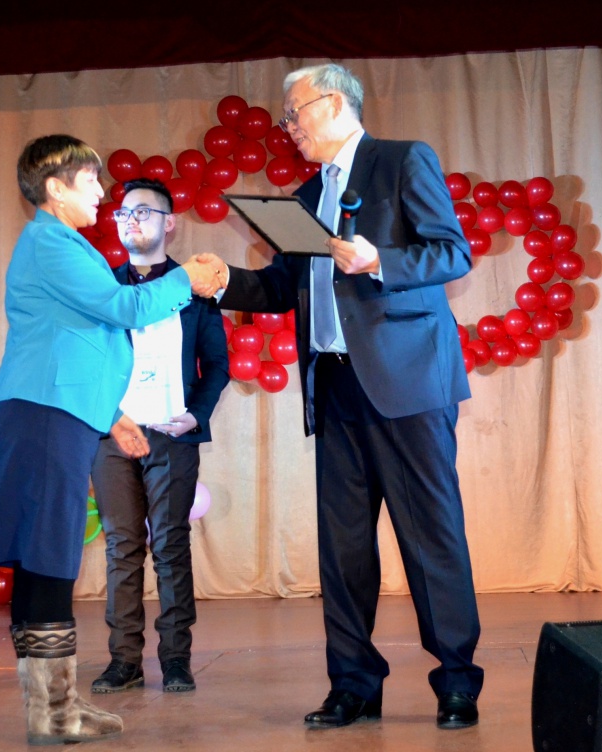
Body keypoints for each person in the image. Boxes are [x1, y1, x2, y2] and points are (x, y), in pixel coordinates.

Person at [198, 63, 483, 730]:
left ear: (332, 103)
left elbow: (452, 254)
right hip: (334, 385)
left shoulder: (402, 161)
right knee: (344, 546)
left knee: (431, 535)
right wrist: (223, 281)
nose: (288, 127)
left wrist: (379, 260)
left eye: (294, 112)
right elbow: (281, 288)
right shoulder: (305, 194)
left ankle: (456, 682)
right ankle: (353, 684)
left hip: (408, 383)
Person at [0, 136, 221, 745]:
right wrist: (186, 279)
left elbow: (78, 341)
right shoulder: (51, 243)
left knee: (43, 555)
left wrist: (112, 416)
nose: (102, 192)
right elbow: (121, 309)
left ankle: (51, 709)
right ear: (56, 188)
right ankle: (54, 712)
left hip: (53, 411)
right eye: (90, 181)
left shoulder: (60, 244)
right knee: (48, 556)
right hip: (41, 414)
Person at [88, 179, 230, 696]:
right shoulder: (102, 288)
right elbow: (86, 363)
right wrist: (107, 417)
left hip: (172, 433)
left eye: (144, 212)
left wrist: (196, 415)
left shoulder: (194, 289)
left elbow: (217, 364)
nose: (131, 220)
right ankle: (123, 661)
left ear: (169, 222)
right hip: (112, 435)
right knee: (121, 547)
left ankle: (175, 659)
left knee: (170, 545)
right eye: (123, 213)